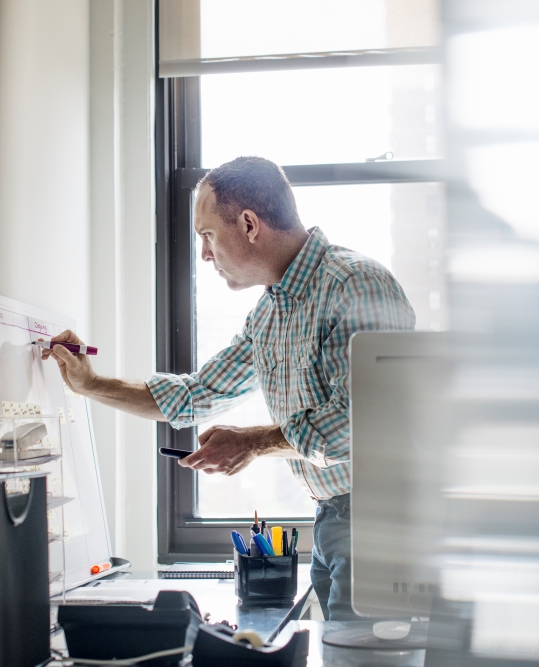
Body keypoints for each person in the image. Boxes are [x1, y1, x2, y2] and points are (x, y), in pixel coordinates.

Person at [42, 156, 415, 619]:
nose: (203, 253)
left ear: (249, 224)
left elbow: (359, 426)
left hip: (381, 519)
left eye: (206, 235)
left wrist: (254, 443)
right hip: (333, 517)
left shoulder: (354, 285)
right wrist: (90, 384)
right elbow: (196, 395)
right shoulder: (270, 314)